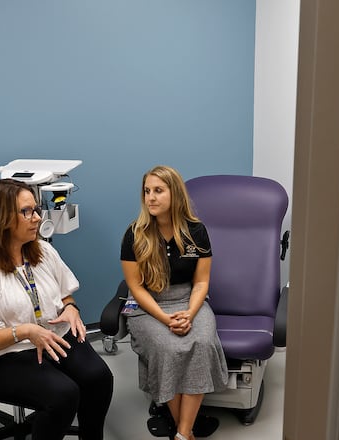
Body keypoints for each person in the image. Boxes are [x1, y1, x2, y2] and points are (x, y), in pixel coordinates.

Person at [0, 178, 113, 440]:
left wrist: (71, 308)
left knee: (98, 378)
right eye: (27, 211)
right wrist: (24, 332)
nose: (36, 218)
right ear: (1, 219)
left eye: (36, 209)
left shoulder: (42, 251)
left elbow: (64, 293)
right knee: (63, 395)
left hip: (49, 336)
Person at [120, 165, 228, 440]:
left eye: (158, 190)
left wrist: (190, 314)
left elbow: (201, 282)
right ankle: (186, 430)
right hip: (148, 305)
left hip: (189, 300)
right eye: (147, 191)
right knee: (168, 348)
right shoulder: (135, 234)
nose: (151, 197)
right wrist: (165, 318)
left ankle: (182, 432)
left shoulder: (196, 231)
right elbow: (135, 286)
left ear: (175, 194)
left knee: (201, 344)